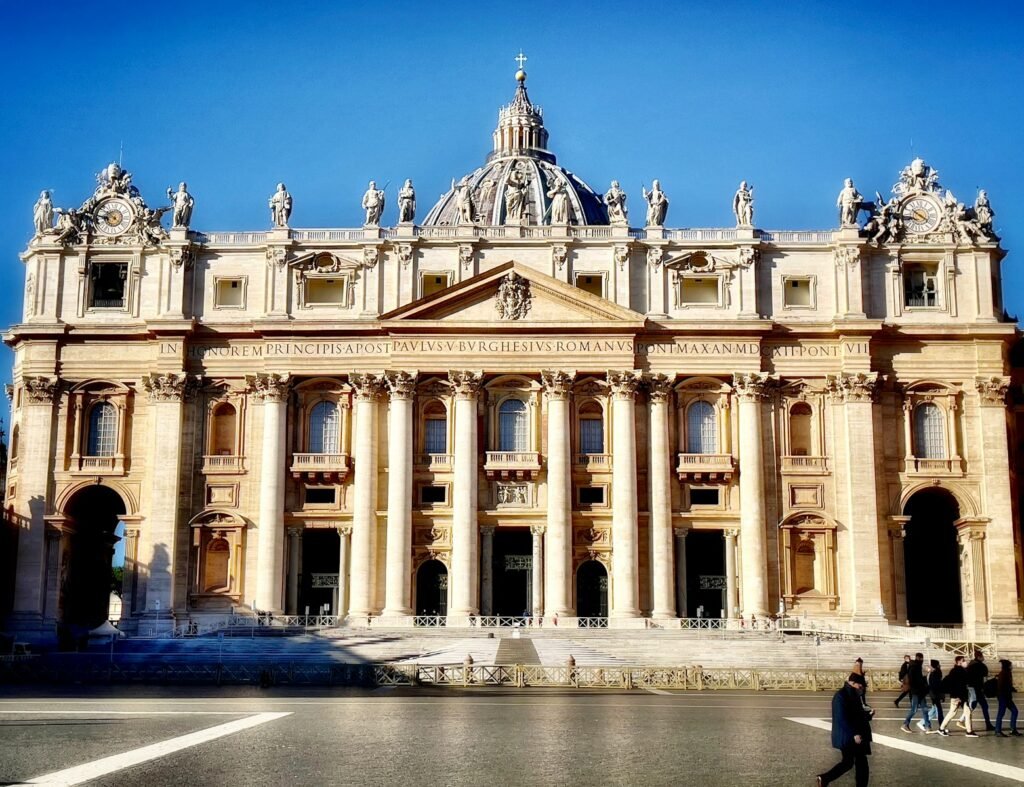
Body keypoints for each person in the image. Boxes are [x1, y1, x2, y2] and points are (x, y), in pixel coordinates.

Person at [816, 672, 873, 786]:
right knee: (857, 763)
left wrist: (869, 715)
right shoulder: (841, 696)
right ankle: (825, 778)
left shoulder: (853, 694)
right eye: (860, 685)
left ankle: (825, 778)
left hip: (853, 734)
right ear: (852, 683)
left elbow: (856, 715)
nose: (861, 688)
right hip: (849, 736)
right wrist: (854, 734)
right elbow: (842, 718)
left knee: (851, 762)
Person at [939, 655, 976, 737]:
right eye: (963, 660)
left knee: (966, 712)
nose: (965, 661)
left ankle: (969, 731)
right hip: (958, 696)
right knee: (953, 712)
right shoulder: (958, 671)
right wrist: (958, 697)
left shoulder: (958, 670)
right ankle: (941, 729)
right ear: (959, 662)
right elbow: (957, 685)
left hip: (960, 696)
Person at [900, 652, 933, 733]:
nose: (922, 660)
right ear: (920, 658)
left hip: (920, 692)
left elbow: (919, 679)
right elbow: (914, 680)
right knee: (914, 710)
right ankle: (905, 724)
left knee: (925, 709)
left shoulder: (916, 666)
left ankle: (927, 726)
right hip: (916, 692)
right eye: (921, 658)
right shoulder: (914, 667)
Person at [965, 650, 995, 731]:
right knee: (984, 706)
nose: (983, 658)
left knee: (973, 706)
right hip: (978, 689)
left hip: (971, 689)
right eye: (982, 656)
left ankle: (962, 720)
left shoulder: (970, 665)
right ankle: (988, 724)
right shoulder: (982, 666)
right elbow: (985, 679)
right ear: (979, 657)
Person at [994, 659, 1020, 737]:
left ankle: (1013, 729)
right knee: (1001, 713)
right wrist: (1008, 690)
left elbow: (1007, 685)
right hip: (1003, 697)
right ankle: (998, 731)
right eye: (1011, 665)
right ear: (1008, 666)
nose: (1012, 666)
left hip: (1007, 697)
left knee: (1014, 711)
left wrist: (1012, 689)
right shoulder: (1003, 674)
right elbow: (1001, 686)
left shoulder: (1007, 673)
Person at [927, 659, 944, 727]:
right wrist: (941, 695)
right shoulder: (936, 673)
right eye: (938, 664)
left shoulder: (932, 673)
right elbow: (937, 685)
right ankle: (941, 725)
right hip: (935, 694)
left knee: (935, 709)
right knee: (939, 710)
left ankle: (924, 722)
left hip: (933, 694)